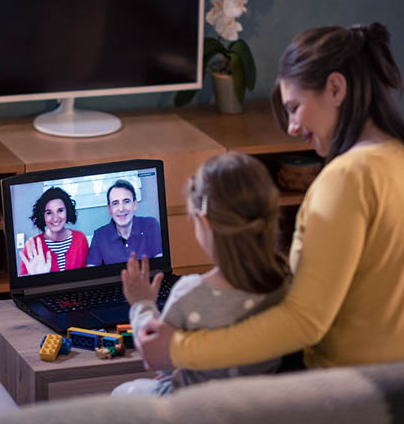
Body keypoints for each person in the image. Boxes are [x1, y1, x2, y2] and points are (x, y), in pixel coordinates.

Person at [132, 22, 404, 373]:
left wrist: (179, 349)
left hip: (346, 386)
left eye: (295, 107)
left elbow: (304, 322)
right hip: (403, 377)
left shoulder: (349, 176)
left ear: (335, 88)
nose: (292, 127)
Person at [112, 152, 291, 396]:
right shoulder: (284, 278)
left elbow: (157, 357)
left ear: (204, 222)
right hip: (257, 404)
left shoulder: (192, 293)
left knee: (123, 392)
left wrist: (141, 303)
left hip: (192, 407)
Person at [86, 180, 163, 266]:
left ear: (134, 204)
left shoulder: (150, 225)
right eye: (115, 203)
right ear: (110, 209)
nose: (121, 208)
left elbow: (161, 265)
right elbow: (92, 270)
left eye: (126, 201)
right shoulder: (99, 235)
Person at [19, 187, 88, 275]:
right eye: (49, 213)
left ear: (68, 211)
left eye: (60, 210)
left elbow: (86, 275)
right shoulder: (33, 246)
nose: (55, 218)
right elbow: (24, 285)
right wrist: (37, 277)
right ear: (42, 216)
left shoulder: (80, 238)